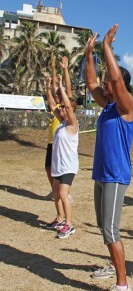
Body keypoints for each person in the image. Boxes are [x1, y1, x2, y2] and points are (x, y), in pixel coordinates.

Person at [85, 25, 133, 291]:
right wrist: (89, 54)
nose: (106, 82)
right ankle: (112, 265)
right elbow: (92, 82)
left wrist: (107, 46)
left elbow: (115, 82)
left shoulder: (127, 107)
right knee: (103, 226)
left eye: (111, 80)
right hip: (101, 175)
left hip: (116, 176)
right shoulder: (106, 108)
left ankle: (122, 283)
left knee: (111, 229)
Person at [45, 74, 79, 239]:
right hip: (58, 165)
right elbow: (52, 104)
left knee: (64, 194)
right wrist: (48, 87)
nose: (62, 109)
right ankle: (60, 219)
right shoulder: (62, 122)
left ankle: (69, 224)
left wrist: (64, 89)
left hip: (68, 167)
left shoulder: (73, 125)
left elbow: (67, 105)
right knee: (56, 194)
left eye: (65, 108)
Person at [44, 56, 73, 201]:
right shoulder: (54, 107)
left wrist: (64, 69)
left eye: (58, 93)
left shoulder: (64, 106)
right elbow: (54, 85)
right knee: (49, 168)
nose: (57, 94)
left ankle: (65, 191)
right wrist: (53, 68)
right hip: (51, 141)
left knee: (61, 170)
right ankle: (54, 190)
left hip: (61, 143)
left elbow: (66, 88)